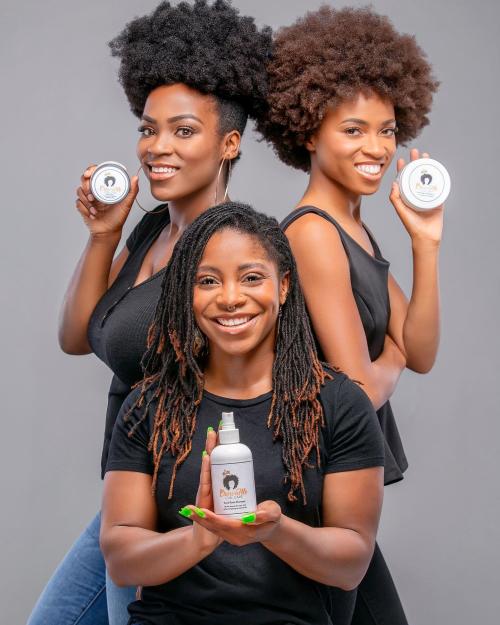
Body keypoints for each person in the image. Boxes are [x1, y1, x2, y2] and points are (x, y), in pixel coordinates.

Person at [28, 2, 271, 624]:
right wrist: (103, 234)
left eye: (182, 131)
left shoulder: (227, 253)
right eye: (147, 128)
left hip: (175, 505)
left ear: (229, 143)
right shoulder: (152, 231)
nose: (156, 148)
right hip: (127, 496)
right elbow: (78, 337)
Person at [101, 202, 386, 625]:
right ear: (186, 292)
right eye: (208, 281)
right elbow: (122, 560)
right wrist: (199, 538)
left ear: (284, 286)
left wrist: (275, 531)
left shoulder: (338, 404)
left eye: (252, 278)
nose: (231, 299)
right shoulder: (149, 406)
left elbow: (351, 566)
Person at [257, 6, 442, 625]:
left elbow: (424, 350)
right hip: (310, 483)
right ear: (309, 132)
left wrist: (424, 243)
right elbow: (362, 388)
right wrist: (388, 357)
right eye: (354, 130)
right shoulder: (312, 233)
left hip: (338, 480)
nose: (377, 149)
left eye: (387, 130)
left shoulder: (354, 229)